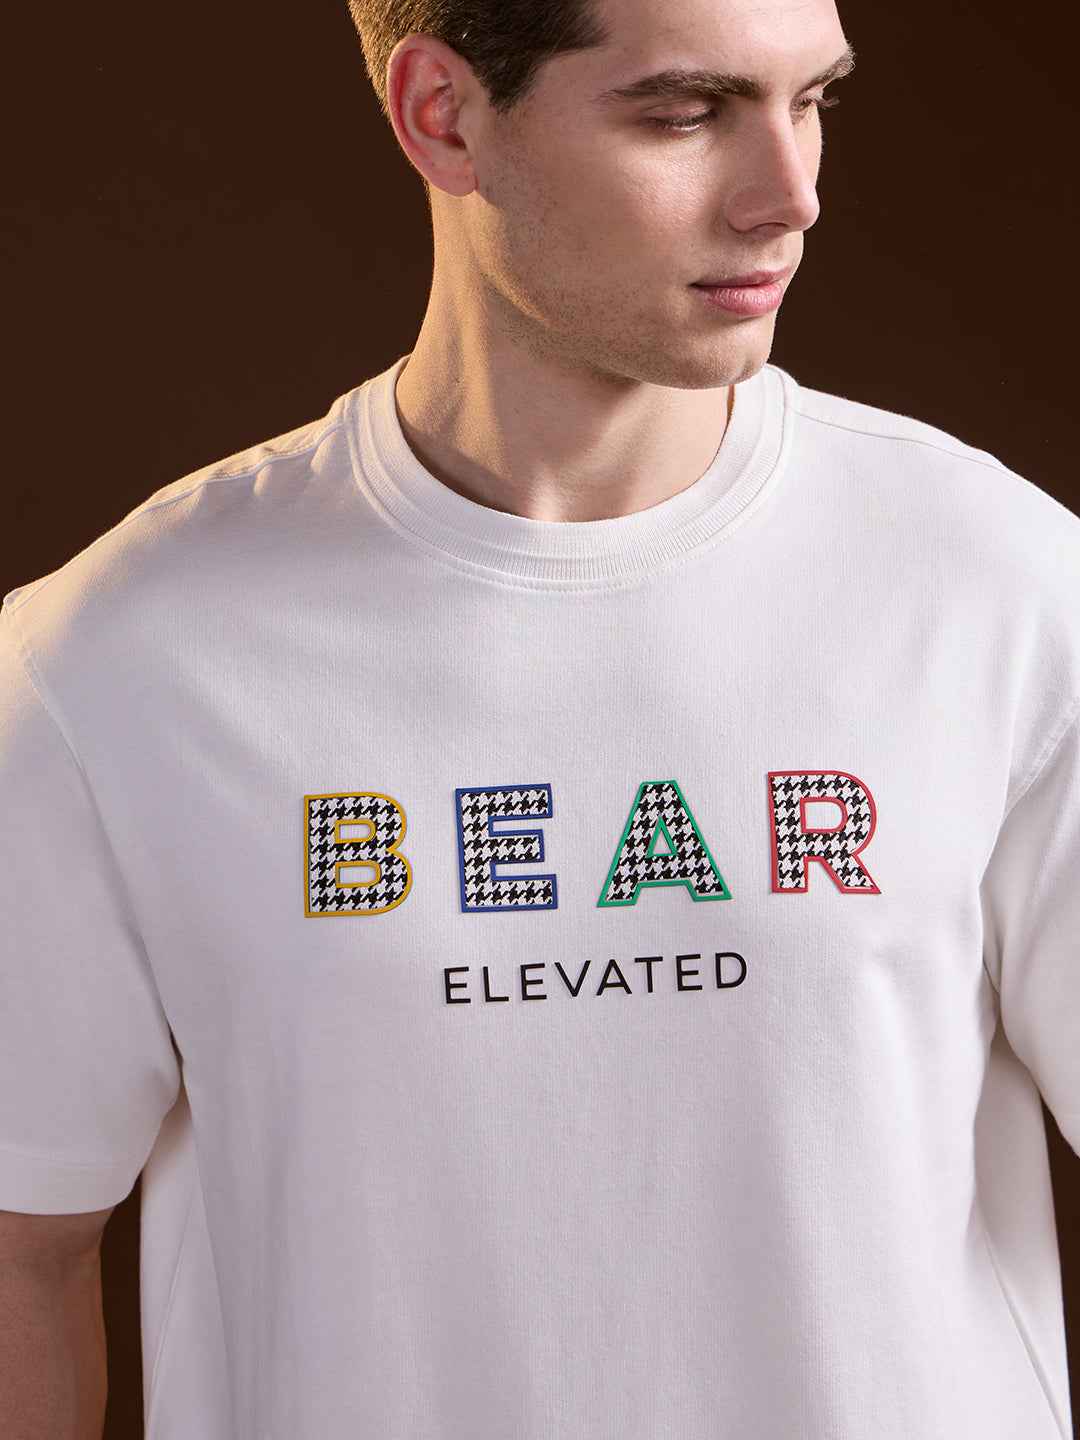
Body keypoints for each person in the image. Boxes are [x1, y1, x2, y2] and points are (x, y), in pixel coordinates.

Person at [1, 0, 1077, 1433]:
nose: (790, 195)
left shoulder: (1002, 586)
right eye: (685, 114)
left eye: (813, 101)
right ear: (443, 116)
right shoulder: (113, 662)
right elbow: (22, 1247)